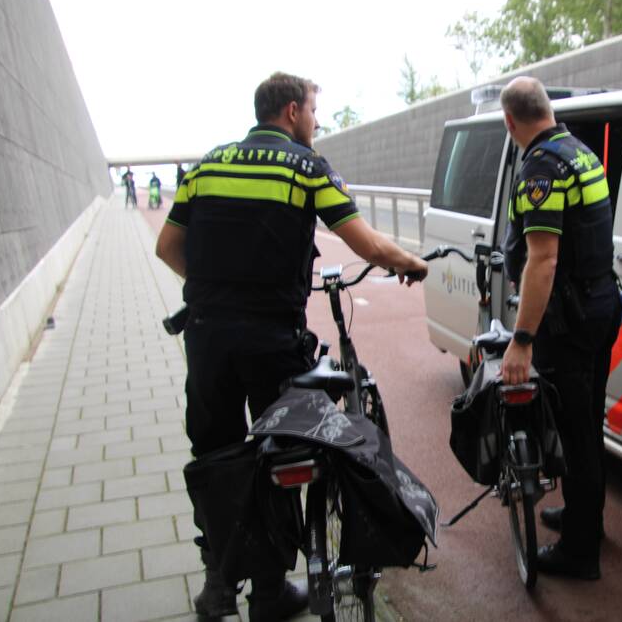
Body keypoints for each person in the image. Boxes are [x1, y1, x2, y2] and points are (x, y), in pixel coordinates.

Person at [155, 72, 427, 620]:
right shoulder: (306, 166)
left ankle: (217, 586)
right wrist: (409, 263)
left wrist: (214, 297)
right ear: (290, 111)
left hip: (208, 337)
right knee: (285, 449)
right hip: (273, 339)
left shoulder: (206, 165)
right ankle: (270, 591)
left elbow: (167, 247)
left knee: (214, 456)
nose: (317, 122)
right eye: (313, 111)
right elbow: (362, 240)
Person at [499, 76, 622, 581]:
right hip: (601, 304)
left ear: (511, 122)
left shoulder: (542, 168)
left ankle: (579, 553)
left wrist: (522, 340)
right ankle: (586, 520)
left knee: (573, 434)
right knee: (588, 423)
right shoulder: (582, 154)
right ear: (547, 109)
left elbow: (543, 260)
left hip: (569, 319)